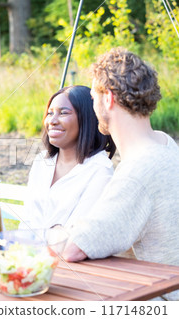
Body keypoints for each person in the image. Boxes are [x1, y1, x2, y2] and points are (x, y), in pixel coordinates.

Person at [63, 48, 179, 300]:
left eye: (93, 96)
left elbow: (74, 249)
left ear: (109, 99)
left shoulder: (138, 171)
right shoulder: (165, 144)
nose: (92, 106)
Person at [21, 85, 115, 229]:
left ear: (87, 119)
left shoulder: (100, 171)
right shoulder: (42, 161)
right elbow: (26, 220)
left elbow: (76, 233)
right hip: (26, 249)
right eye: (50, 113)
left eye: (63, 113)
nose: (52, 121)